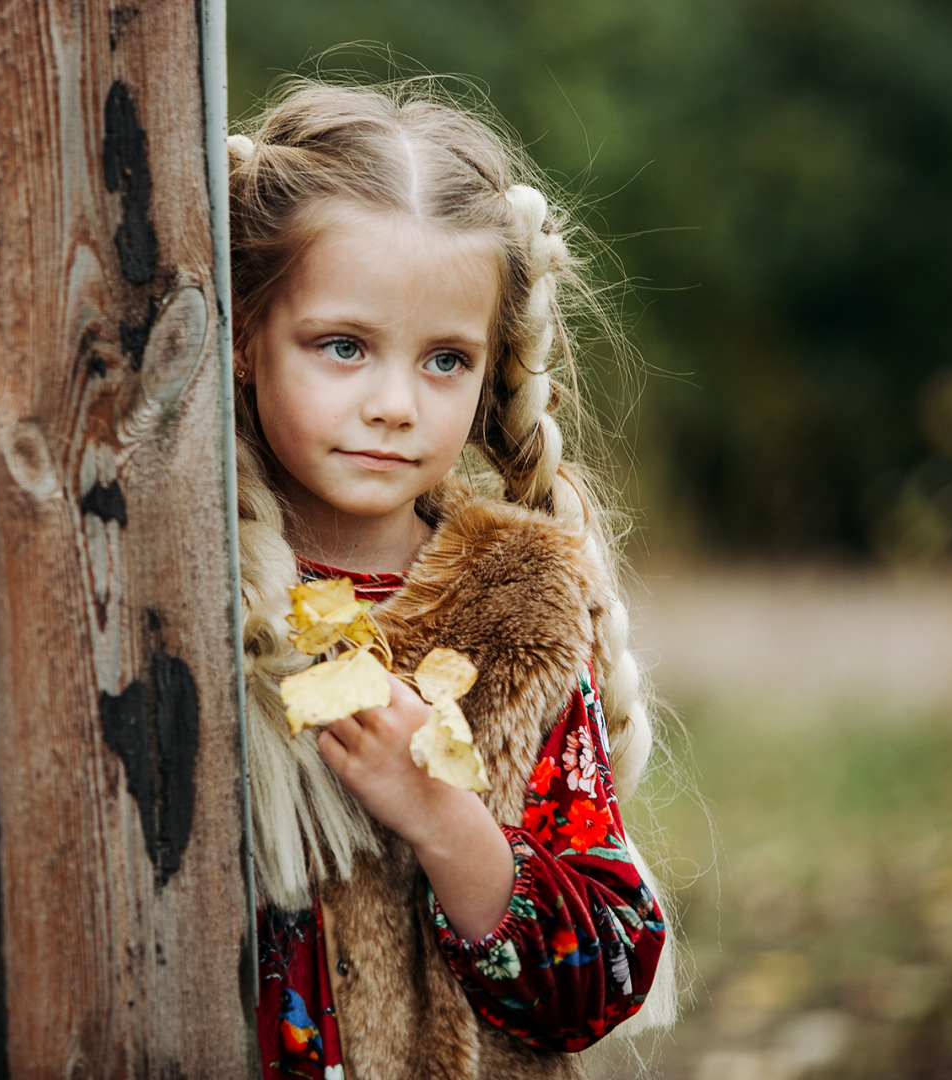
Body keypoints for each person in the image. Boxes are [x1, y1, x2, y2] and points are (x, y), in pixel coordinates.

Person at [230, 79, 674, 1080]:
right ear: (246, 339)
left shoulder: (523, 603)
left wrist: (441, 816)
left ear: (492, 366)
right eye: (342, 347)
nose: (394, 404)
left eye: (443, 360)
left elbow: (602, 970)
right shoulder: (190, 585)